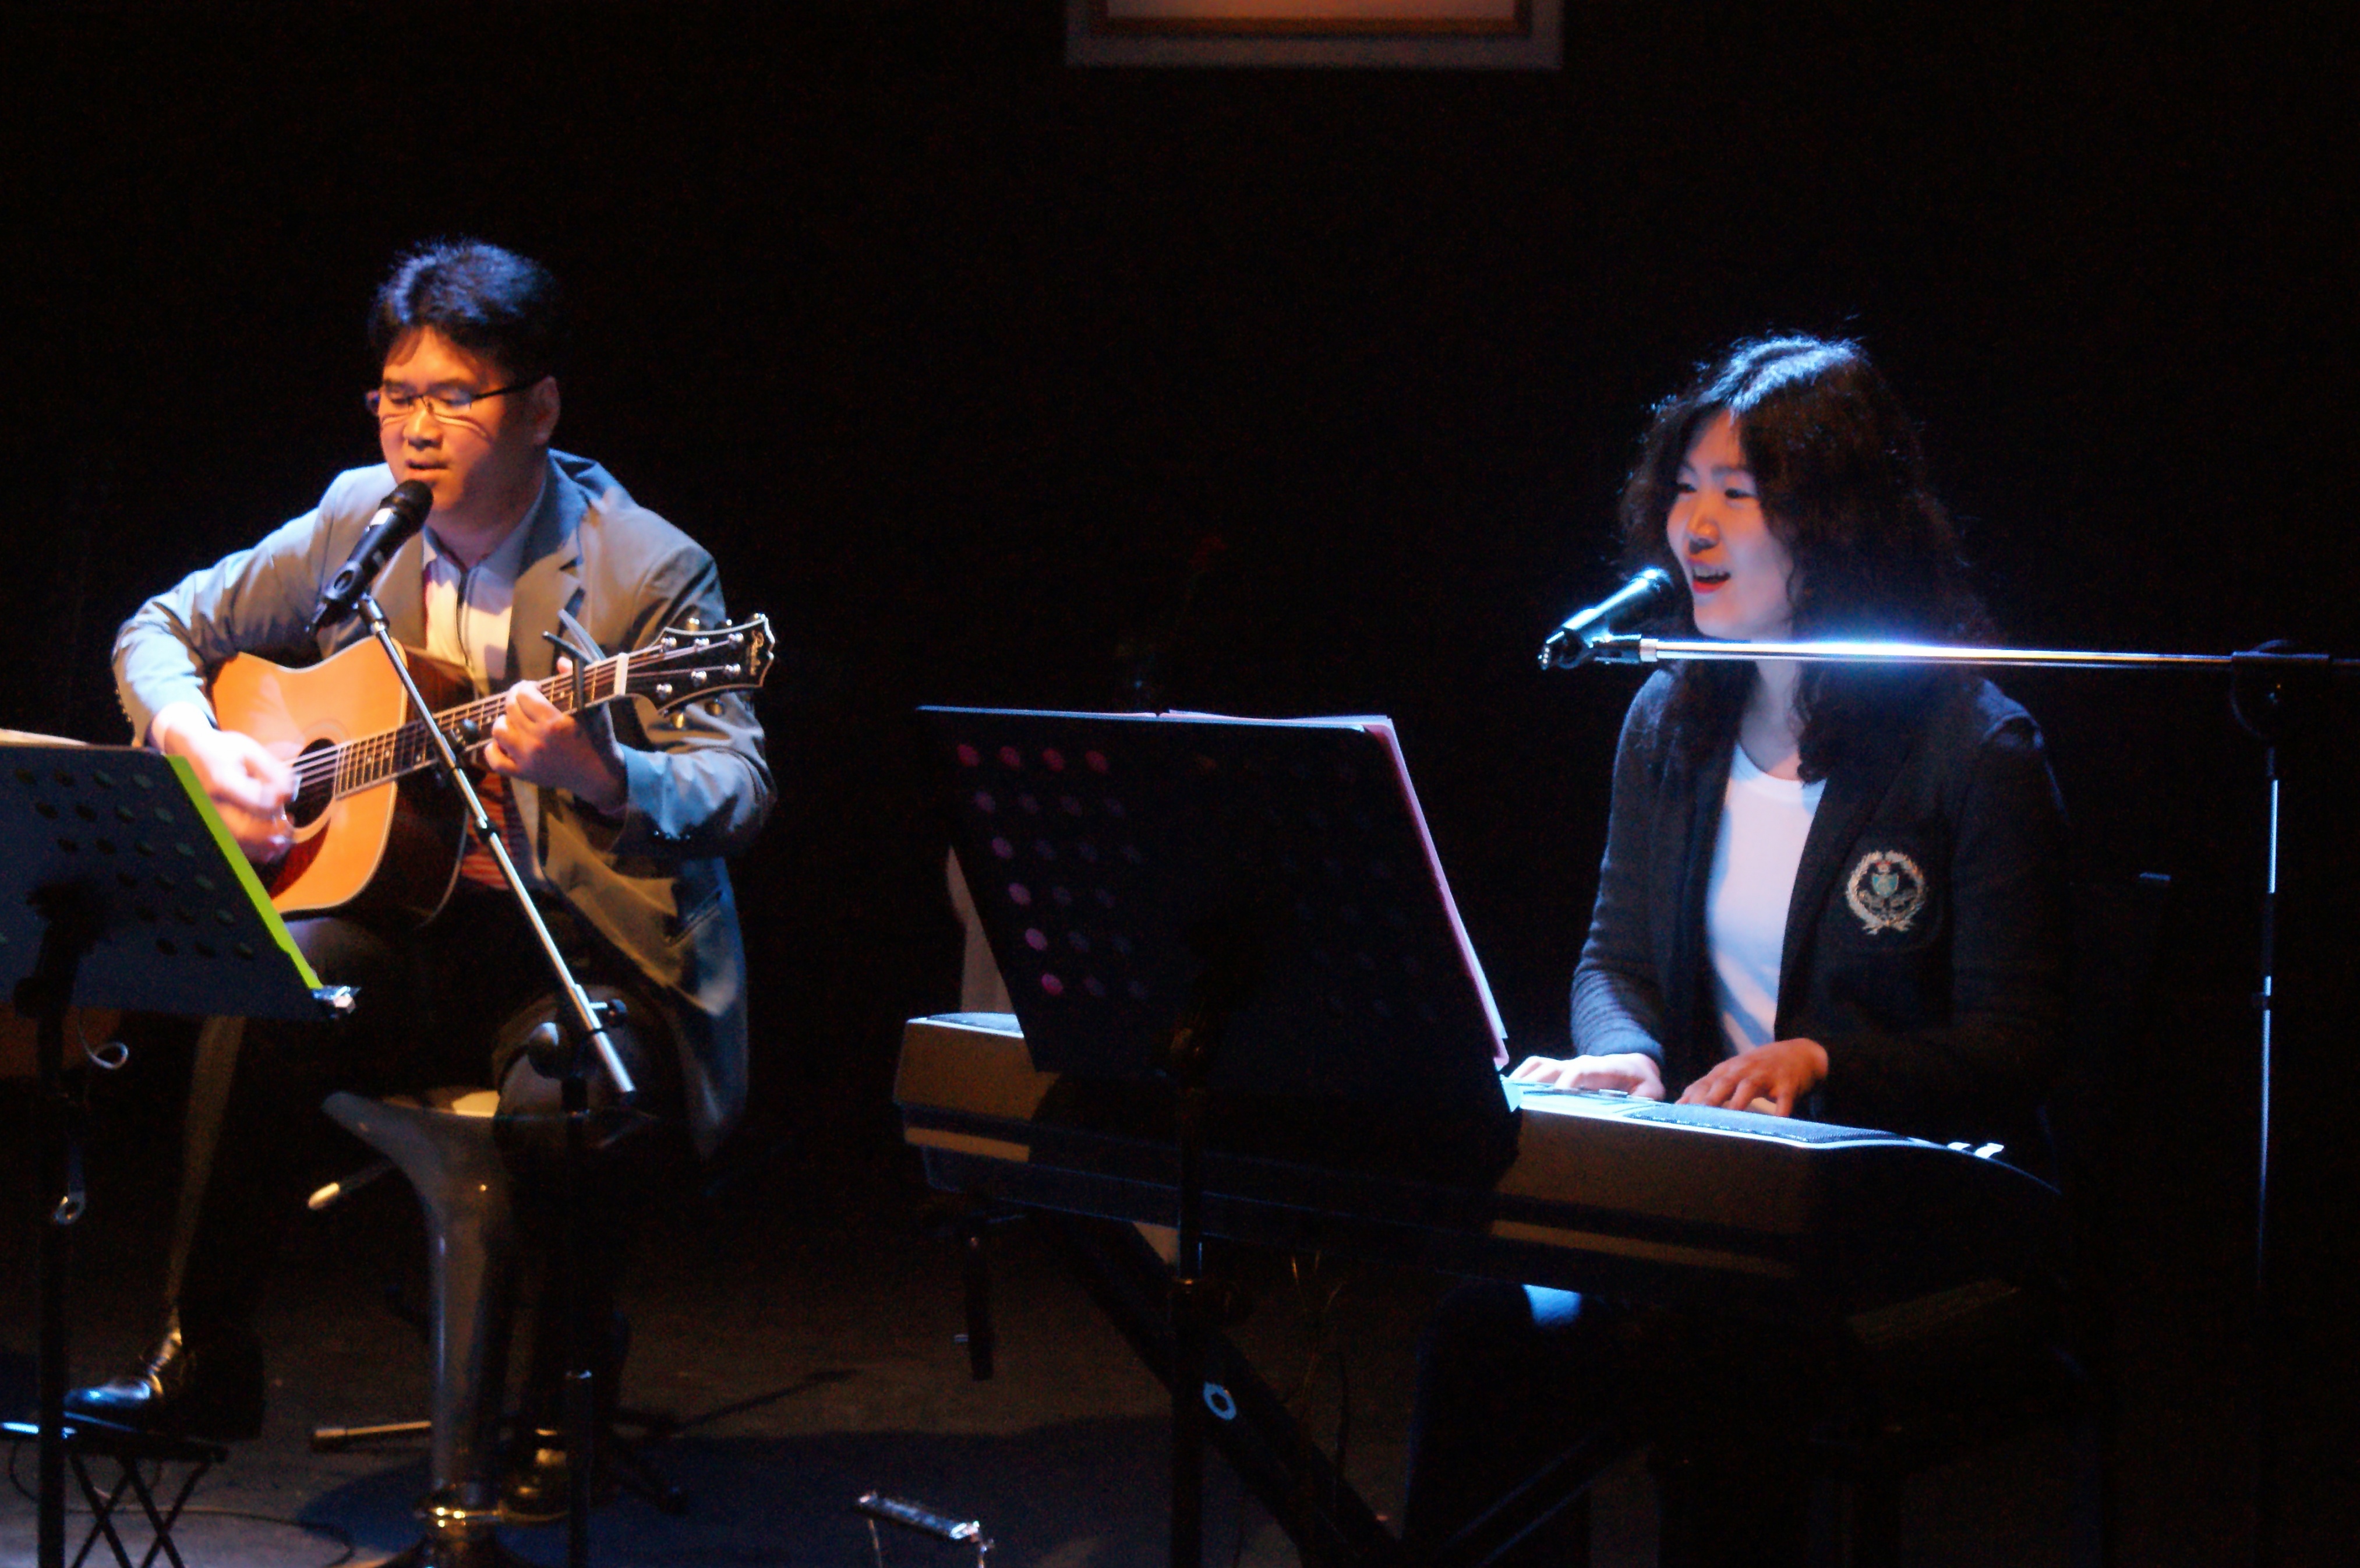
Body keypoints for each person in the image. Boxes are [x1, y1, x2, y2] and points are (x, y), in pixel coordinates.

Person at [71, 239, 773, 1514]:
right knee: (271, 982)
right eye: (397, 396)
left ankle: (564, 1386)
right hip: (414, 928)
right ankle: (203, 1358)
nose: (418, 428)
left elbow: (738, 782)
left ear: (540, 408)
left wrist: (606, 772)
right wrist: (199, 741)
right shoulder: (360, 518)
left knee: (565, 1094)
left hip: (583, 941)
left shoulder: (645, 566)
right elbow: (163, 627)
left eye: (456, 396)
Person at [1401, 335, 2068, 1565]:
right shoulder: (1669, 717)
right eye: (1683, 488)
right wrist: (1628, 1055)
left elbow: (2013, 1047)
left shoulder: (1973, 749)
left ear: (1837, 523)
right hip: (1711, 1203)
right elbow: (1612, 960)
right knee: (1490, 1330)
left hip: (1889, 1215)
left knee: (1731, 1361)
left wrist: (1822, 1063)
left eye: (1738, 493)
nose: (1691, 525)